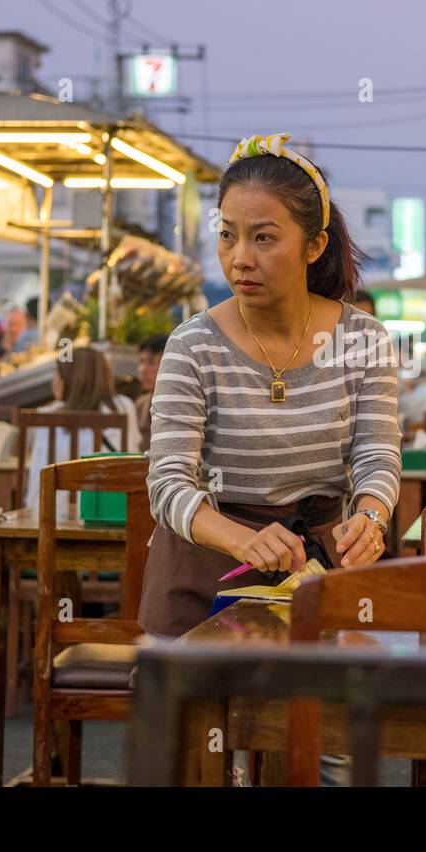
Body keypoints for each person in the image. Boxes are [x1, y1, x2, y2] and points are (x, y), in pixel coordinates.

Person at [140, 132, 401, 638]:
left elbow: (377, 456)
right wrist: (241, 541)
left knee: (325, 713)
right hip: (204, 569)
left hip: (317, 567)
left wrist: (370, 517)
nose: (240, 258)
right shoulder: (193, 345)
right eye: (227, 235)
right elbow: (168, 483)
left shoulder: (363, 338)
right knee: (198, 713)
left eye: (264, 237)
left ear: (314, 245)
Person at [22, 347, 141, 516]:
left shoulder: (46, 417)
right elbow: (133, 451)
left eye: (59, 374)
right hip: (107, 515)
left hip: (45, 516)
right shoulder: (123, 407)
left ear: (71, 379)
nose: (54, 380)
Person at [133, 334, 168, 453]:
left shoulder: (180, 404)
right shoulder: (140, 404)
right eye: (141, 361)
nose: (142, 369)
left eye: (151, 362)